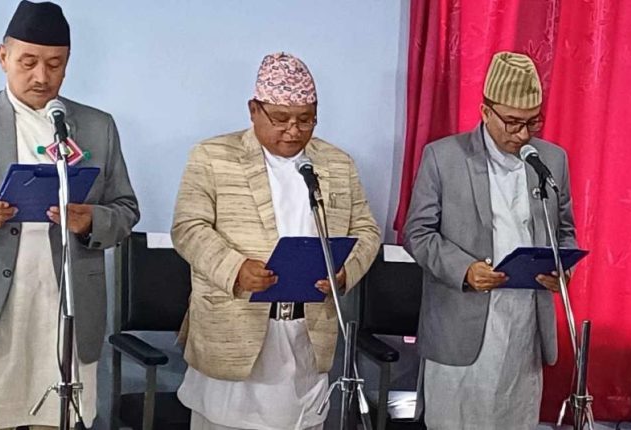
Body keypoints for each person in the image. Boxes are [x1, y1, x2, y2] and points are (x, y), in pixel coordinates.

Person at [0, 2, 140, 429]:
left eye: (55, 65)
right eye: (28, 62)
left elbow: (126, 209)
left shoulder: (97, 126)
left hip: (66, 306)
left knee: (56, 419)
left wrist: (90, 221)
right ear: (3, 57)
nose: (42, 76)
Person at [171, 52, 381, 430]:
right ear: (254, 110)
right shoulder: (213, 157)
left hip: (307, 332)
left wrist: (345, 272)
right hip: (234, 328)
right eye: (281, 119)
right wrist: (235, 268)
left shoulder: (337, 164)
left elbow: (367, 230)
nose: (293, 131)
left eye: (306, 119)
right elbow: (188, 228)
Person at [403, 51, 577, 429]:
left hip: (524, 326)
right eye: (512, 122)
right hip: (460, 324)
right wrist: (464, 269)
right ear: (485, 111)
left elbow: (564, 232)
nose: (523, 134)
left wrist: (561, 270)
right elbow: (417, 233)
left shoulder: (551, 160)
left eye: (533, 122)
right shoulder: (443, 157)